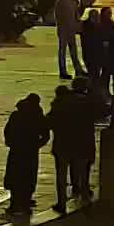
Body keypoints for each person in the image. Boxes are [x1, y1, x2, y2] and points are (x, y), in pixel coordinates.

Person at [46, 84, 93, 212]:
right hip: (80, 144)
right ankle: (85, 198)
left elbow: (48, 122)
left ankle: (61, 203)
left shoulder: (58, 105)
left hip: (62, 145)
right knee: (82, 172)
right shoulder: (83, 104)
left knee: (61, 175)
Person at [2, 93, 50, 217]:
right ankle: (25, 203)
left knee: (14, 175)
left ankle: (14, 203)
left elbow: (7, 130)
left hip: (16, 149)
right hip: (30, 150)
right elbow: (45, 134)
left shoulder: (16, 114)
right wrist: (37, 144)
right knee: (29, 175)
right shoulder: (38, 116)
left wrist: (10, 142)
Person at [53, 0, 83, 80]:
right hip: (67, 29)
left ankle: (71, 70)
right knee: (69, 50)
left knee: (67, 50)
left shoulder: (60, 3)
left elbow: (58, 17)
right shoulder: (67, 3)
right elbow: (76, 16)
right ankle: (73, 70)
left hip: (65, 29)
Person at [81, 8, 109, 86]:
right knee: (94, 74)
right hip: (92, 55)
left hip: (94, 54)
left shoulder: (92, 26)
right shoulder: (90, 27)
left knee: (94, 74)